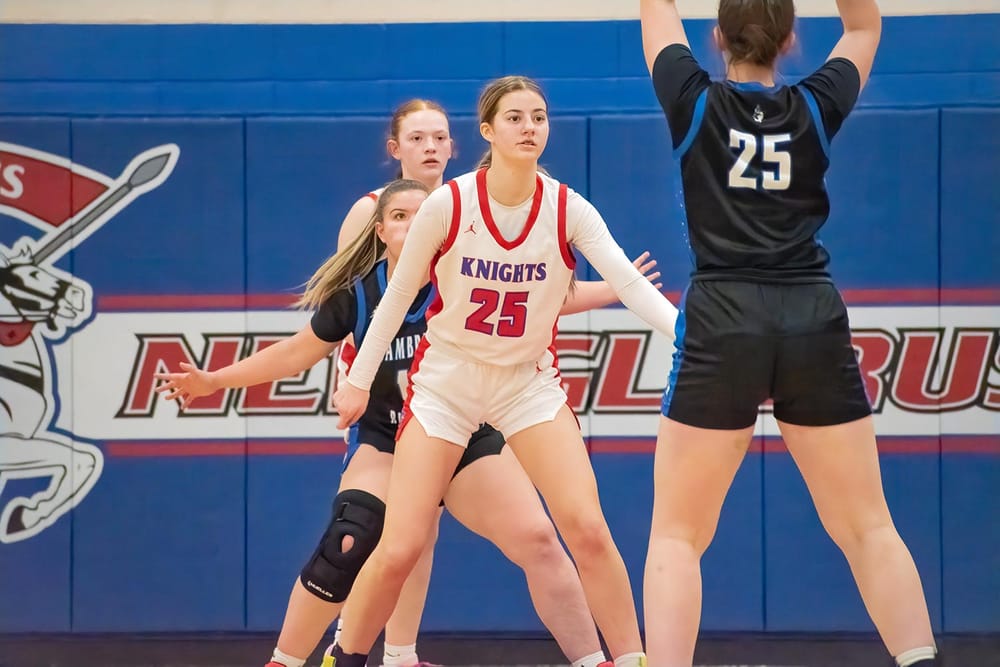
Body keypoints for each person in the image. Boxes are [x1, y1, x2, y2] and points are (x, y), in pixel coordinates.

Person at [156, 179, 657, 667]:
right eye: (399, 216)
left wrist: (621, 285)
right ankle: (290, 660)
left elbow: (543, 295)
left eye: (423, 214)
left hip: (465, 434)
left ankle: (593, 660)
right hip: (388, 441)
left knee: (540, 539)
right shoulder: (360, 295)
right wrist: (214, 380)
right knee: (352, 538)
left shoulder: (466, 274)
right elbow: (294, 353)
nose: (414, 224)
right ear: (380, 231)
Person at [328, 75, 680, 667]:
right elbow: (396, 297)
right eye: (515, 118)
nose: (529, 128)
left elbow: (627, 282)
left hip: (525, 383)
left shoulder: (567, 208)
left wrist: (689, 336)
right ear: (488, 131)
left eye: (538, 117)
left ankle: (629, 659)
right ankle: (344, 656)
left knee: (586, 529)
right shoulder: (449, 204)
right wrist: (359, 379)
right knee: (402, 544)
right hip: (448, 382)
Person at [638, 2, 938, 666]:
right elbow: (864, 27)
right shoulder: (816, 105)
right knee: (869, 526)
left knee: (677, 535)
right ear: (791, 38)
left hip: (724, 315)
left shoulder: (693, 99)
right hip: (810, 314)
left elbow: (655, 8)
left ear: (717, 36)